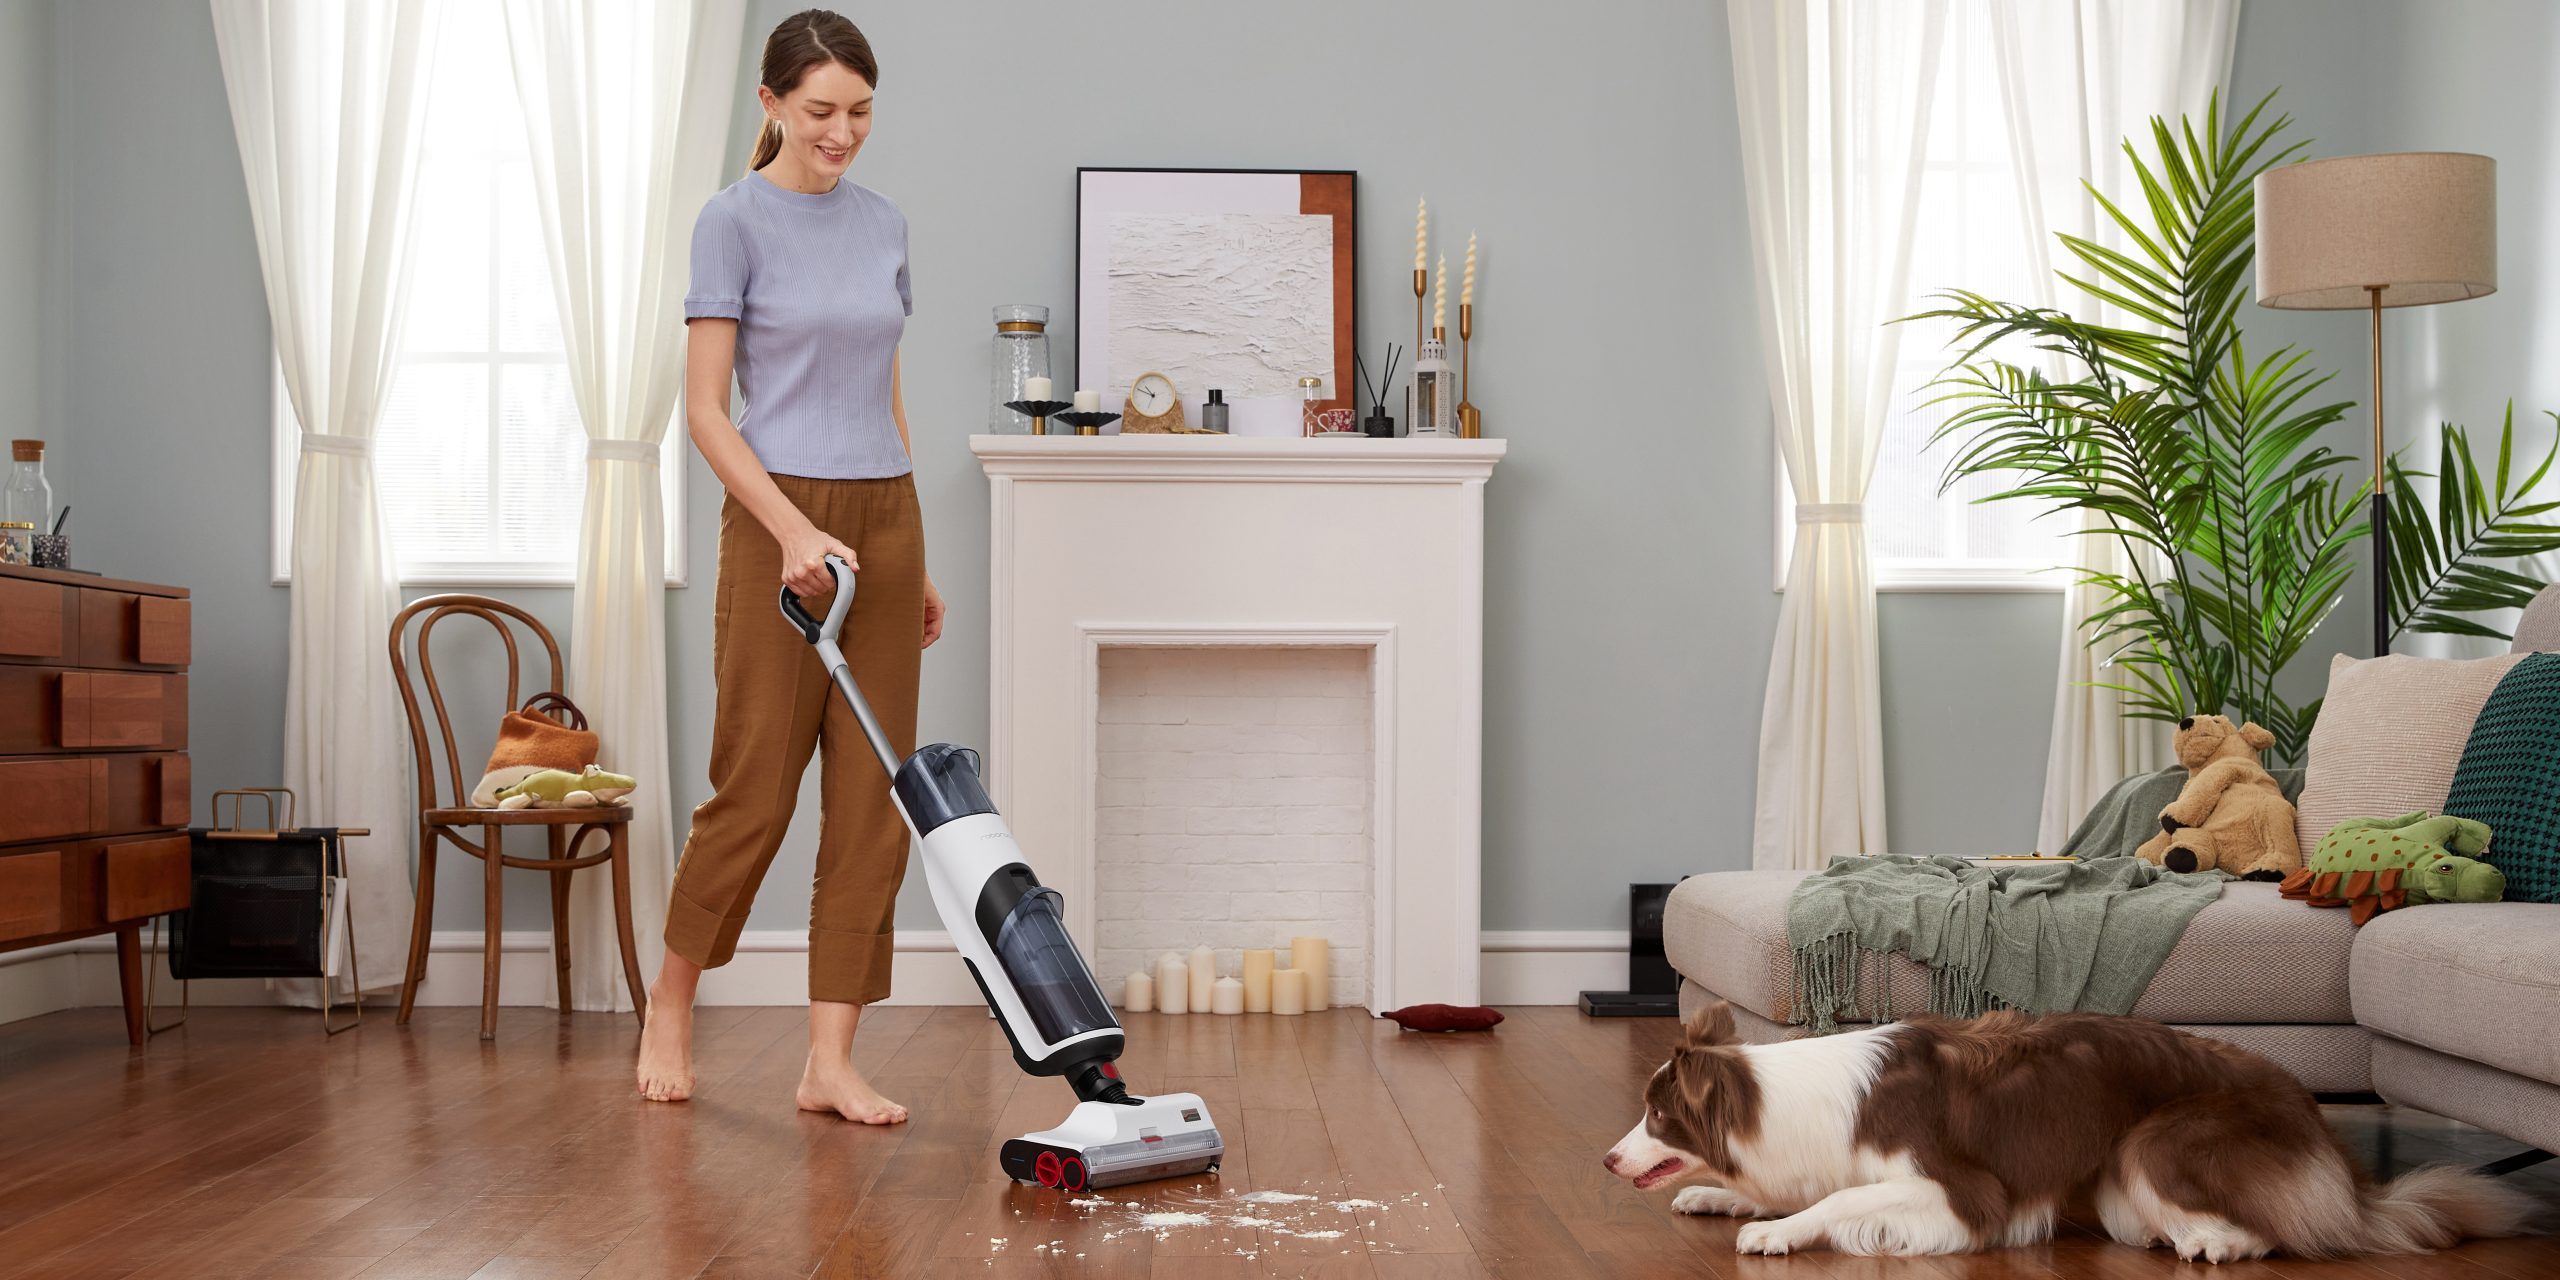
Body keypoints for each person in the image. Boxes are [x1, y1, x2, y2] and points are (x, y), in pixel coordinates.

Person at [634, 8, 942, 1125]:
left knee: (874, 801)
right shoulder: (732, 222)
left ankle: (830, 1057)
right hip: (779, 515)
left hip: (885, 513)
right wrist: (790, 531)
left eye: (859, 111)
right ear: (770, 105)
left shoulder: (885, 222)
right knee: (755, 786)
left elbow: (885, 381)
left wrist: (915, 552)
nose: (843, 132)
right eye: (820, 111)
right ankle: (671, 1003)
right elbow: (708, 414)